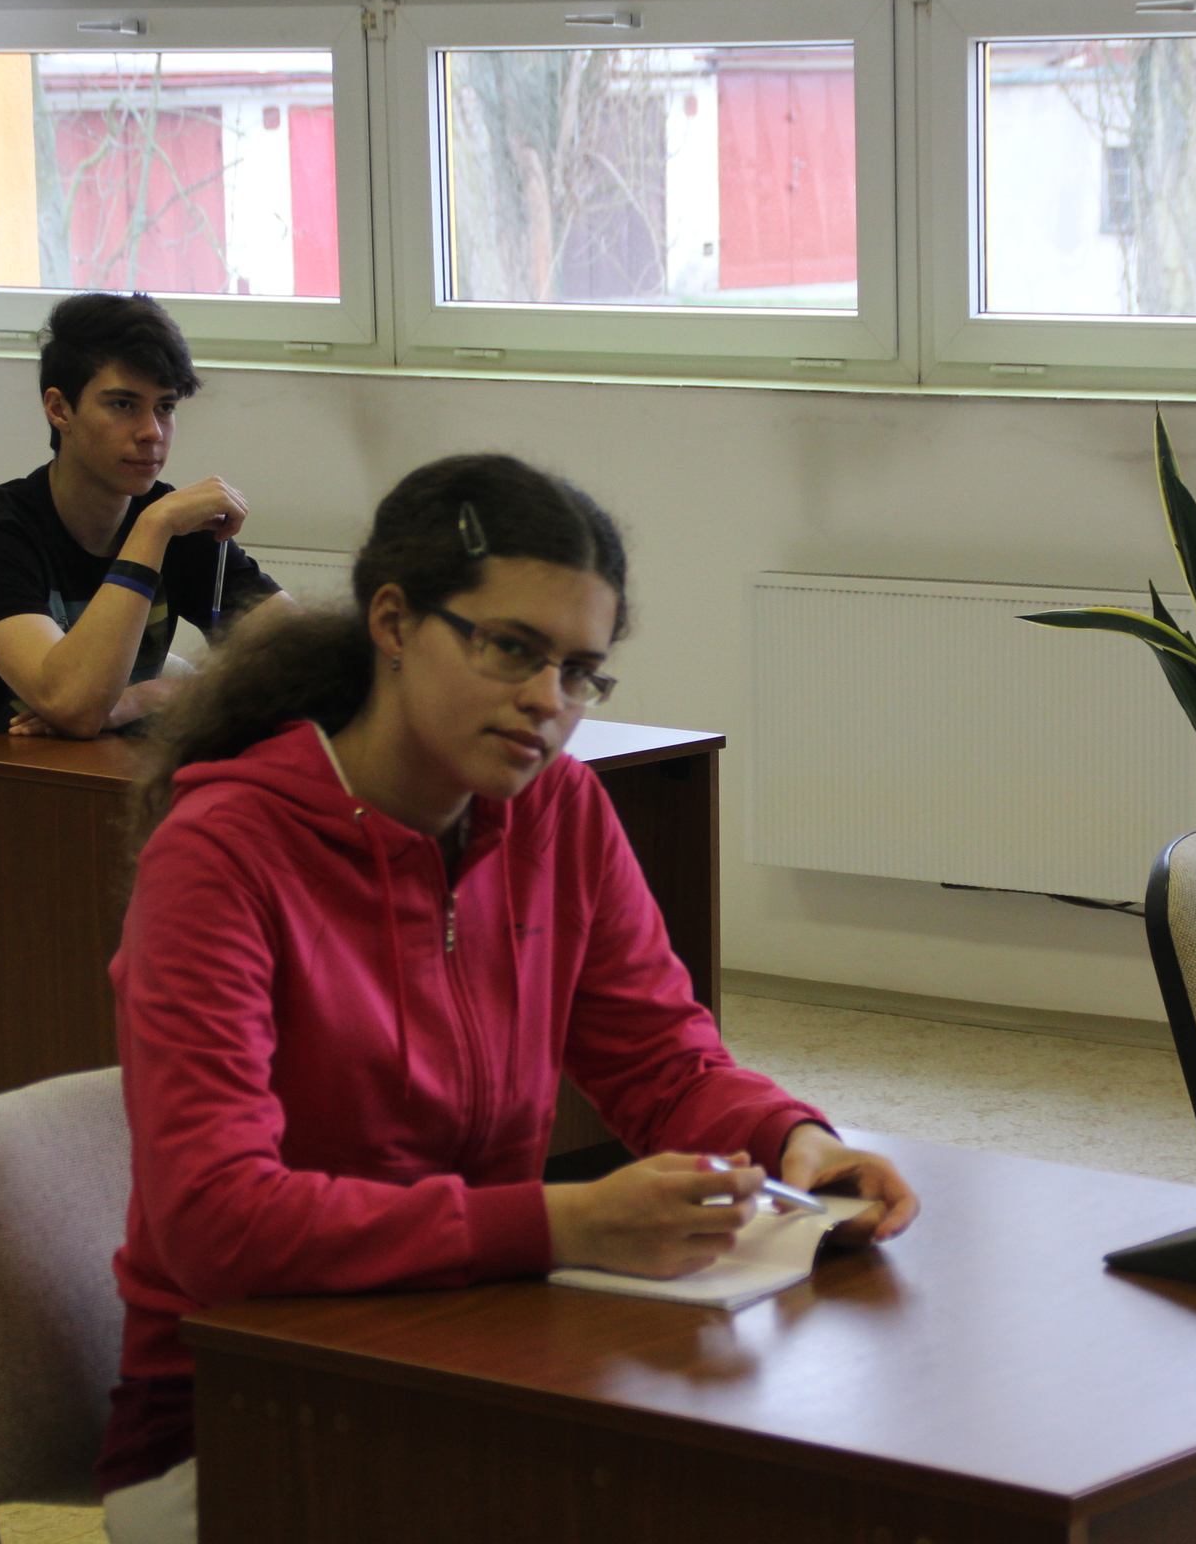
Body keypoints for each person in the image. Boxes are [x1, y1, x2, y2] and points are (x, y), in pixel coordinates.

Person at [96, 454, 919, 1544]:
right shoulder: (223, 854)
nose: (548, 701)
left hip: (477, 1359)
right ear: (393, 622)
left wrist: (793, 1141)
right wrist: (566, 1222)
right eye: (512, 649)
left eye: (580, 672)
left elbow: (662, 1060)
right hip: (240, 1420)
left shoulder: (558, 809)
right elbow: (217, 1223)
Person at [0, 292, 292, 745]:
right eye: (123, 405)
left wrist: (146, 698)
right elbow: (73, 705)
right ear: (60, 409)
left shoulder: (174, 523)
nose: (151, 432)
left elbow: (310, 665)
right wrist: (152, 530)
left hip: (113, 780)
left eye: (165, 407)